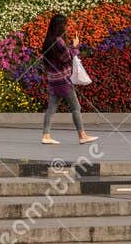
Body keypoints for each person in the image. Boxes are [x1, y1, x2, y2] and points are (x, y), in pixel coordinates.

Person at [40, 13, 97, 146]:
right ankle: (82, 135)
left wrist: (70, 46)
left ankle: (46, 135)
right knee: (75, 107)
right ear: (60, 26)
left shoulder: (48, 40)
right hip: (64, 80)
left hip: (53, 80)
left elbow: (57, 57)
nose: (66, 27)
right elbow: (67, 58)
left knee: (51, 108)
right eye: (65, 24)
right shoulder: (59, 41)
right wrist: (75, 46)